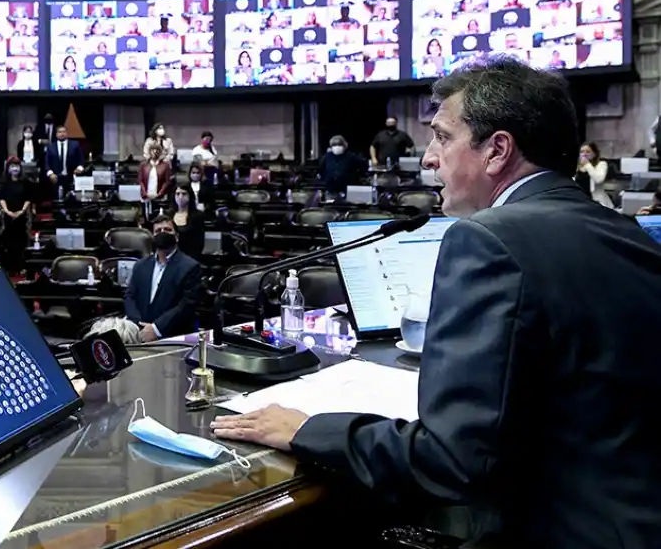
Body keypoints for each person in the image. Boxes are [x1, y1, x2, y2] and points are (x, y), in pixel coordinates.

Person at [211, 57, 661, 549]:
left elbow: (453, 462)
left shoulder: (488, 239)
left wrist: (309, 429)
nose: (428, 157)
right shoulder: (629, 233)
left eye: (442, 137)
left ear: (497, 151)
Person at [123, 215, 203, 341]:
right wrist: (138, 324)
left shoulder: (190, 267)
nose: (162, 233)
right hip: (140, 334)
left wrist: (156, 328)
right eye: (158, 231)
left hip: (173, 336)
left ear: (176, 237)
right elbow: (130, 296)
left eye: (167, 230)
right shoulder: (141, 265)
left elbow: (186, 304)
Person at [0, 156, 33, 274]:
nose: (15, 169)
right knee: (9, 243)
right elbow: (1, 198)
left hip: (21, 216)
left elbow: (28, 198)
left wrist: (22, 211)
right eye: (12, 166)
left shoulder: (25, 182)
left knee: (20, 242)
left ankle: (21, 266)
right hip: (8, 215)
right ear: (8, 168)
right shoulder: (5, 182)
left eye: (16, 166)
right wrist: (7, 211)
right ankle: (10, 267)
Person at [44, 125, 83, 198]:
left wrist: (79, 168)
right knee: (56, 200)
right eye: (60, 132)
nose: (62, 134)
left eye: (64, 132)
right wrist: (50, 173)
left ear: (67, 133)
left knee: (71, 200)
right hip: (55, 177)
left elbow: (81, 159)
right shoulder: (51, 146)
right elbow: (46, 162)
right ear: (56, 134)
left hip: (71, 176)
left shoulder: (75, 145)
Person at [170, 184, 205, 260]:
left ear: (190, 196)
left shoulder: (197, 216)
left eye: (184, 194)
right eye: (177, 194)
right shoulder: (169, 215)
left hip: (190, 256)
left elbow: (199, 243)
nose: (180, 197)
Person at [575, 142, 613, 208]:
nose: (584, 154)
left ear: (594, 154)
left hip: (596, 201)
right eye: (582, 152)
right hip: (580, 201)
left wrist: (587, 164)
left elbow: (598, 179)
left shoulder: (601, 164)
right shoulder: (576, 167)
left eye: (588, 152)